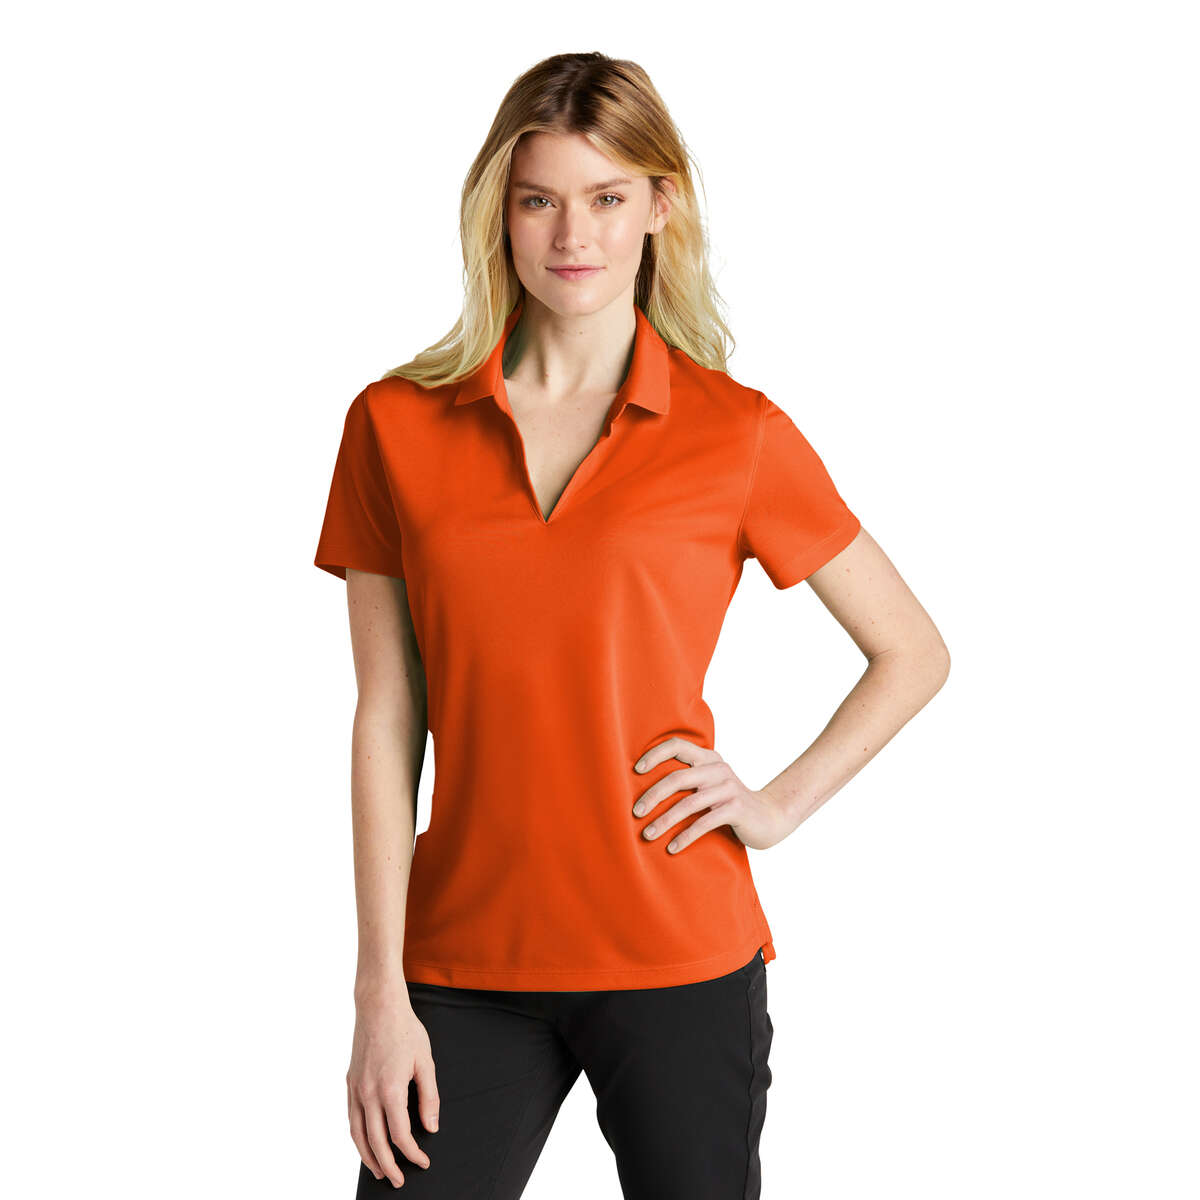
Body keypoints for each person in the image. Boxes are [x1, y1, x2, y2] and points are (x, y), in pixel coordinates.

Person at [313, 51, 949, 1200]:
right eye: (539, 199)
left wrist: (773, 807)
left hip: (678, 952)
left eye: (607, 198)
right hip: (460, 960)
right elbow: (386, 717)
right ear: (499, 212)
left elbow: (912, 651)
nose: (574, 235)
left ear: (661, 205)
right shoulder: (394, 425)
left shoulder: (736, 434)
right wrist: (377, 990)